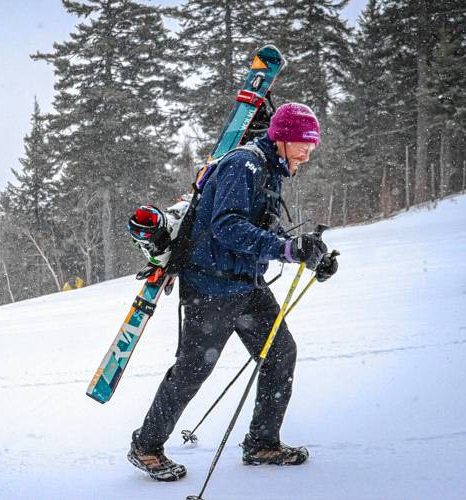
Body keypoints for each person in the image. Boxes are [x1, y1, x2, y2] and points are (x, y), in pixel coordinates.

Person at [127, 103, 339, 482]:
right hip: (211, 285)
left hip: (246, 284)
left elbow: (260, 228)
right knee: (193, 370)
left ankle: (262, 443)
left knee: (279, 353)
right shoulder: (245, 165)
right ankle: (146, 446)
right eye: (303, 143)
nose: (308, 151)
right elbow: (228, 227)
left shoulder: (270, 171)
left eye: (312, 144)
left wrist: (308, 256)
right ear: (282, 137)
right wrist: (286, 251)